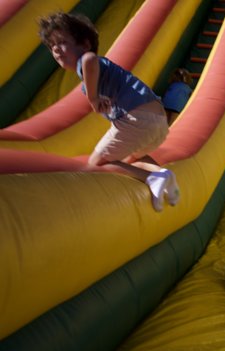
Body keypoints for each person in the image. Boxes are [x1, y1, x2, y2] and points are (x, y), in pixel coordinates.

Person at [38, 12, 179, 212]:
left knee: (95, 164)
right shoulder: (94, 78)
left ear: (85, 44)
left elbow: (89, 60)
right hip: (157, 122)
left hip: (137, 117)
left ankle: (152, 177)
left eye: (61, 42)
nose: (56, 49)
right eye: (52, 45)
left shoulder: (86, 61)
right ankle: (163, 174)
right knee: (132, 159)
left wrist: (93, 99)